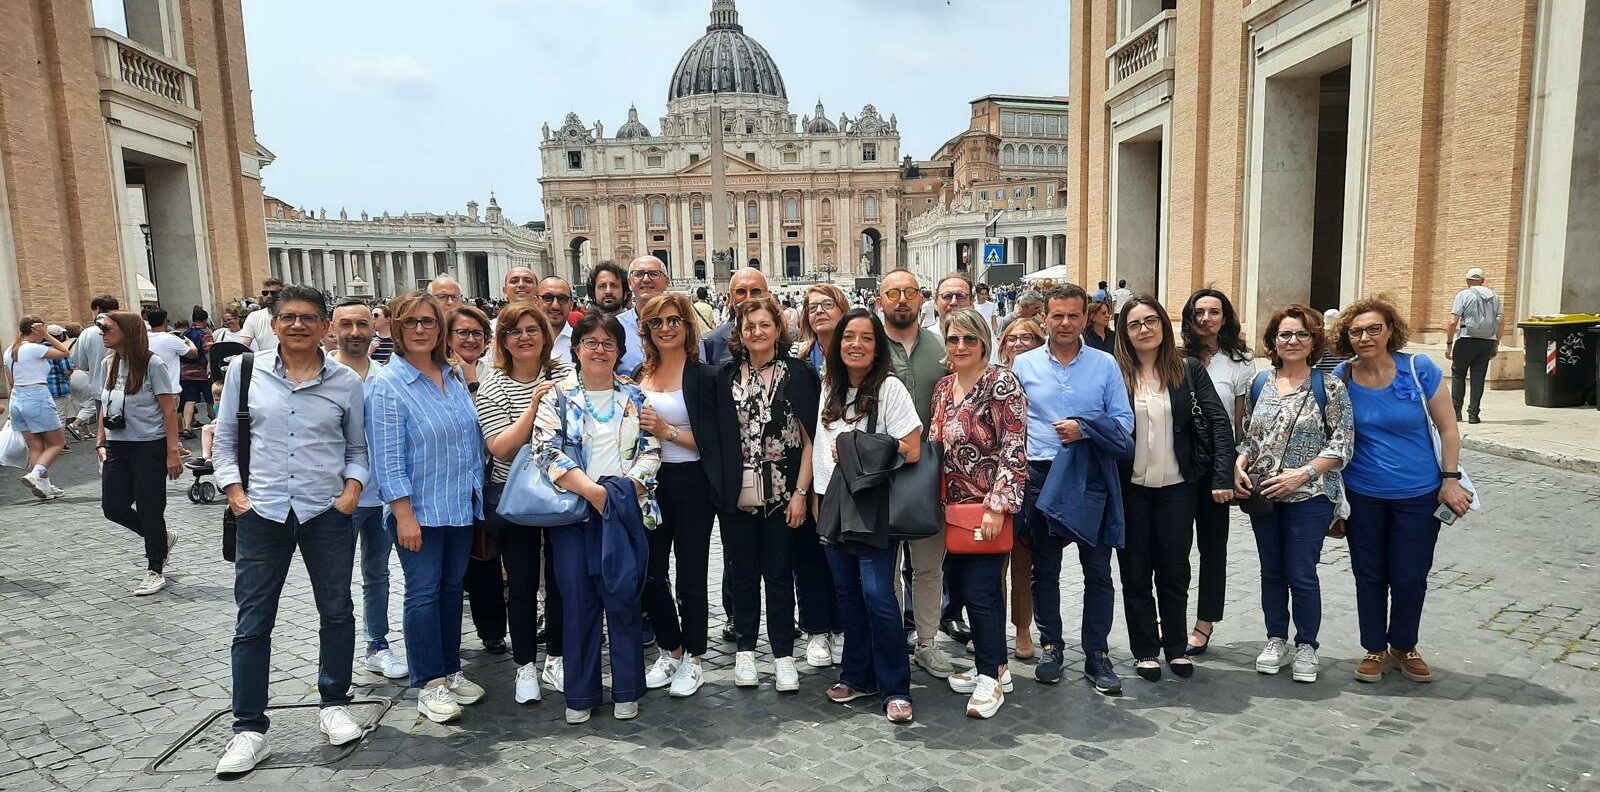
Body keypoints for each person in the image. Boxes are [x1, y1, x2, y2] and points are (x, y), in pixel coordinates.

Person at [210, 286, 369, 774]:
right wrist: (235, 494)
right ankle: (248, 727)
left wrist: (351, 492)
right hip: (262, 511)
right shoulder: (244, 371)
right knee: (252, 622)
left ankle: (334, 702)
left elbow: (357, 447)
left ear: (324, 327)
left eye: (308, 318)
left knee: (336, 611)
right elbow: (225, 440)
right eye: (288, 317)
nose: (298, 325)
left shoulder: (345, 381)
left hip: (326, 511)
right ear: (274, 323)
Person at [1332, 298, 1471, 685]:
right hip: (1363, 494)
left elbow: (1448, 429)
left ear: (1390, 330)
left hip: (1419, 494)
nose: (1365, 337)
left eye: (1373, 328)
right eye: (1356, 331)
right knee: (1369, 574)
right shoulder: (1343, 375)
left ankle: (1404, 645)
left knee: (1410, 575)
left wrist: (1450, 479)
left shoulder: (1418, 368)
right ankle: (1374, 648)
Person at [531, 311, 661, 724]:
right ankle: (581, 693)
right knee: (578, 603)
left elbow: (651, 451)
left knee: (623, 598)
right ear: (576, 349)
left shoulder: (635, 397)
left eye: (608, 344)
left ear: (620, 351)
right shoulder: (557, 396)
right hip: (574, 514)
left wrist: (622, 494)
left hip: (623, 511)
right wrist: (592, 492)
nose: (599, 350)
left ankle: (627, 688)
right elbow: (545, 450)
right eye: (591, 343)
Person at [366, 291, 486, 724]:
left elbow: (468, 439)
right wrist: (403, 515)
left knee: (451, 591)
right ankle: (428, 682)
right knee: (422, 594)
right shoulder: (387, 384)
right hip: (417, 510)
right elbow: (386, 458)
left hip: (458, 504)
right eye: (410, 322)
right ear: (396, 328)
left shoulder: (450, 375)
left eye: (428, 322)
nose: (420, 329)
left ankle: (450, 669)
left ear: (440, 329)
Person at [1011, 284, 1133, 694]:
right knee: (1044, 569)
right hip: (1041, 474)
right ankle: (1051, 645)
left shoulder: (1105, 364)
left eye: (1073, 315)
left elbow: (1124, 422)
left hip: (1089, 473)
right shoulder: (1024, 364)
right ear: (1044, 318)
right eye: (1057, 315)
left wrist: (1085, 429)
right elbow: (1012, 422)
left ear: (1086, 318)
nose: (1065, 323)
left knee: (1097, 569)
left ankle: (1097, 652)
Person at [1113, 297, 1235, 682]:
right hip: (1130, 488)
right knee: (1135, 571)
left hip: (1178, 488)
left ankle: (1176, 647)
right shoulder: (1115, 372)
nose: (1144, 329)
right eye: (1135, 324)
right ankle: (1145, 649)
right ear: (1124, 333)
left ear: (1164, 325)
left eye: (1151, 320)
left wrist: (1222, 476)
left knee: (1174, 569)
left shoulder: (1188, 369)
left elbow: (1219, 422)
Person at [1235, 304, 1354, 684]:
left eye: (1302, 334)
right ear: (1273, 342)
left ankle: (1306, 644)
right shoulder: (1260, 384)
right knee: (1271, 570)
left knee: (1301, 572)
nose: (1293, 341)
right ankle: (1276, 639)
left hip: (1311, 495)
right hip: (1266, 495)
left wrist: (1301, 475)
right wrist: (1239, 462)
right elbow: (1249, 437)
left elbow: (1342, 443)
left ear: (1314, 341)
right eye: (1285, 334)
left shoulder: (1329, 386)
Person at [813, 308, 921, 724]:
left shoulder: (890, 388)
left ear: (877, 347)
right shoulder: (830, 386)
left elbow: (912, 447)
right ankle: (857, 675)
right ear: (837, 344)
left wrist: (856, 446)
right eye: (848, 337)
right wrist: (818, 496)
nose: (855, 344)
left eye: (866, 338)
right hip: (833, 503)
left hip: (873, 505)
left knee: (877, 593)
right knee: (847, 594)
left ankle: (896, 686)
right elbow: (821, 448)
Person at [712, 296, 817, 693]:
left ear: (778, 329)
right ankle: (745, 652)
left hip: (784, 493)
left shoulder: (798, 374)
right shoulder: (725, 376)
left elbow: (809, 440)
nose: (757, 332)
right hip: (737, 495)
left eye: (764, 325)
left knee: (778, 574)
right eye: (749, 326)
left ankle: (783, 656)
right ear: (739, 333)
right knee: (741, 574)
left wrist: (801, 493)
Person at [929, 308, 1026, 718]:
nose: (961, 346)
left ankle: (989, 679)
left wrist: (998, 505)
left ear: (984, 342)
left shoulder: (1000, 383)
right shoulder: (943, 388)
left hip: (986, 508)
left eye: (970, 338)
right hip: (951, 511)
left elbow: (1013, 446)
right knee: (967, 588)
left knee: (981, 591)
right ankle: (997, 665)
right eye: (953, 339)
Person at [476, 302, 573, 704]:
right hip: (514, 495)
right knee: (521, 583)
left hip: (563, 488)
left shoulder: (565, 373)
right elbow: (499, 447)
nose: (524, 337)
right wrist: (535, 407)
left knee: (561, 580)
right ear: (503, 340)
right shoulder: (493, 385)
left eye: (532, 329)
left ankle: (557, 656)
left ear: (545, 335)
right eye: (514, 331)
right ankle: (524, 665)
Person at [634, 293, 722, 697]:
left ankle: (695, 657)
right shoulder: (639, 374)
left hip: (691, 483)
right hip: (649, 483)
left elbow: (715, 442)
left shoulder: (706, 376)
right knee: (650, 573)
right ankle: (671, 648)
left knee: (690, 575)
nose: (665, 328)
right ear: (647, 330)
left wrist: (665, 431)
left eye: (673, 320)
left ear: (687, 326)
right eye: (656, 322)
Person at [876, 269, 953, 679]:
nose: (902, 300)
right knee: (884, 569)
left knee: (927, 567)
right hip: (880, 473)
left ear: (922, 299)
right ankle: (889, 640)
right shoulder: (869, 344)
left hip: (928, 473)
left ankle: (926, 642)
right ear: (880, 300)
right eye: (893, 293)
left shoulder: (943, 347)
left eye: (909, 292)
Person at [327, 300, 408, 681]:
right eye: (346, 325)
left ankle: (377, 643)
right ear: (333, 328)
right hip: (336, 495)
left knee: (377, 574)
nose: (355, 332)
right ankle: (336, 654)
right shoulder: (322, 374)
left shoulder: (386, 376)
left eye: (362, 324)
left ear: (375, 327)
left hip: (381, 493)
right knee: (335, 579)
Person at [1178, 288, 1255, 656]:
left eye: (1214, 312)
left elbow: (1240, 421)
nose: (1206, 319)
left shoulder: (1239, 362)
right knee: (1174, 547)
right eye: (1199, 312)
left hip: (1216, 465)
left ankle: (1205, 620)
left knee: (1212, 547)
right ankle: (1172, 616)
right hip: (1177, 464)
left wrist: (1234, 466)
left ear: (1225, 318)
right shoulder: (1176, 357)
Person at [790, 283, 848, 666]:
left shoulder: (856, 352)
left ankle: (842, 626)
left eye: (828, 304)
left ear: (843, 308)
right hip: (806, 468)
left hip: (848, 470)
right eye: (813, 307)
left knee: (843, 552)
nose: (820, 311)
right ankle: (816, 629)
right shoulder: (800, 360)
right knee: (809, 553)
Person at [996, 318, 1045, 659]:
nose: (1018, 343)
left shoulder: (1044, 376)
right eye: (1011, 338)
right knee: (994, 563)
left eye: (1027, 337)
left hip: (1032, 476)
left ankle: (1023, 629)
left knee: (1024, 560)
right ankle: (992, 628)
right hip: (997, 479)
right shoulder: (992, 377)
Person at [5, 315, 71, 499]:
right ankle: (35, 474)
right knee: (57, 443)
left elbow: (11, 381)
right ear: (36, 329)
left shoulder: (9, 350)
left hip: (17, 398)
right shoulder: (34, 349)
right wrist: (47, 336)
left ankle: (45, 486)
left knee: (36, 446)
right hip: (37, 396)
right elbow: (64, 351)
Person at [1446, 268, 1502, 424]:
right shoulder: (1495, 297)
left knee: (1458, 374)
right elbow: (1501, 322)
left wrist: (1449, 344)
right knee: (1478, 378)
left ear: (1467, 281)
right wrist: (1496, 343)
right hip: (1487, 341)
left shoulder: (1463, 295)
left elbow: (1452, 322)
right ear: (1482, 281)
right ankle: (1474, 415)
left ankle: (1456, 412)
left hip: (1466, 339)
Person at [66, 295, 120, 438]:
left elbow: (80, 363)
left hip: (100, 387)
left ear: (97, 309)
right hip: (128, 388)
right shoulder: (128, 328)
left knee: (106, 433)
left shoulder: (87, 333)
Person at [703, 267, 769, 366]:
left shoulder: (782, 338)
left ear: (768, 296)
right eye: (741, 292)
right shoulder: (711, 343)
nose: (748, 299)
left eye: (755, 292)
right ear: (730, 298)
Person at [178, 309, 214, 439]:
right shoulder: (205, 334)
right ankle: (216, 422)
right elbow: (209, 351)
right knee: (210, 399)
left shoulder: (184, 334)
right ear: (205, 320)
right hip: (203, 372)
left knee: (189, 400)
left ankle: (187, 427)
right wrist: (210, 366)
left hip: (186, 373)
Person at [145, 308, 197, 395]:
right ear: (165, 321)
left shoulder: (143, 338)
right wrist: (188, 341)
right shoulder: (171, 339)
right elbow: (193, 353)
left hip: (150, 390)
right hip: (170, 390)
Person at [536, 276, 576, 361]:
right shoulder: (525, 342)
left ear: (571, 305)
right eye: (548, 298)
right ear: (536, 302)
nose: (555, 306)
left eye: (562, 299)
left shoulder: (582, 344)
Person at [238, 279, 282, 352]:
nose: (269, 296)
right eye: (265, 293)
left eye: (274, 293)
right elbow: (244, 343)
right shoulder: (253, 317)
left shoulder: (294, 314)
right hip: (266, 358)